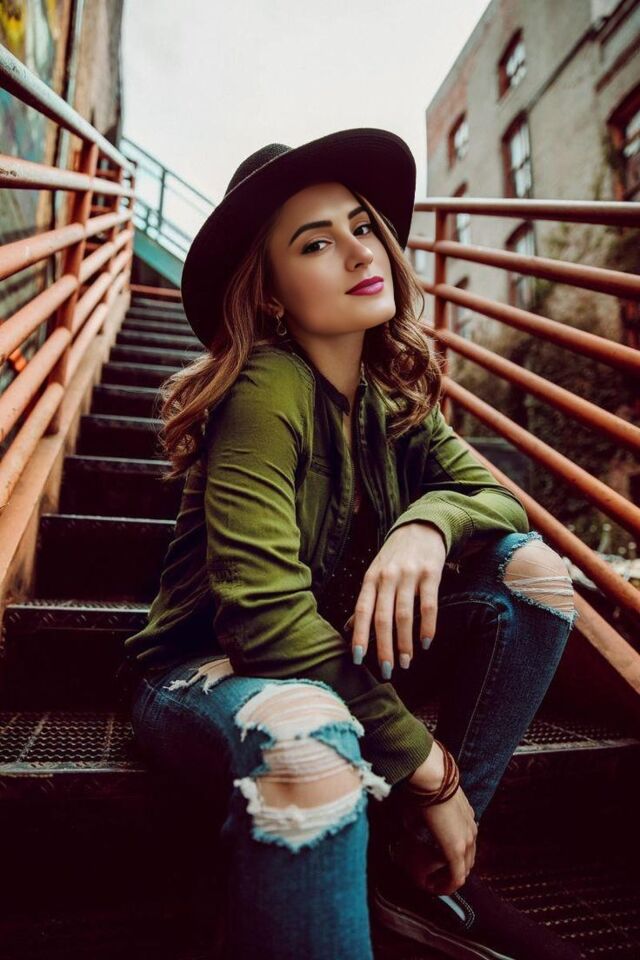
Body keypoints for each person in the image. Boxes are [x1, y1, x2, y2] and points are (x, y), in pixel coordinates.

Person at [115, 128, 584, 960]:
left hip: (327, 651)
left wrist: (425, 524)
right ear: (270, 294)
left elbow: (498, 501)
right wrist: (427, 767)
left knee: (534, 578)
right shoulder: (264, 387)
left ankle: (418, 871)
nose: (360, 251)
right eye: (315, 243)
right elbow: (262, 623)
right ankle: (424, 825)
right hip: (202, 671)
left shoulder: (387, 397)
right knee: (314, 741)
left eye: (361, 226)